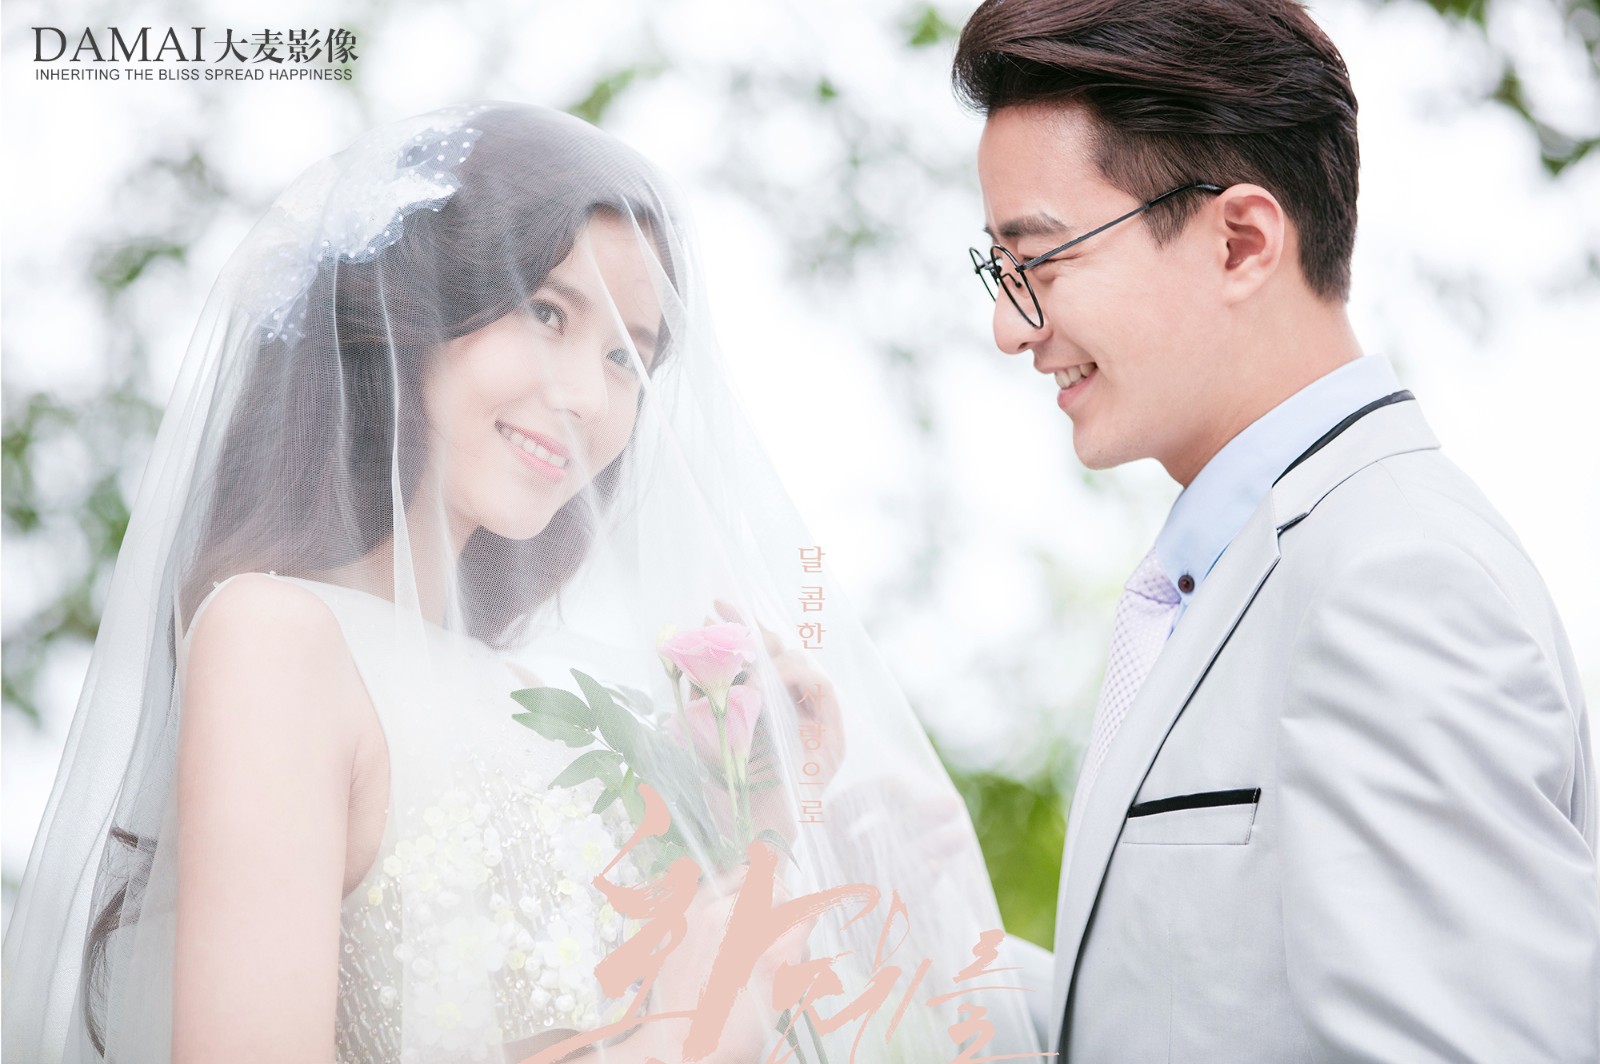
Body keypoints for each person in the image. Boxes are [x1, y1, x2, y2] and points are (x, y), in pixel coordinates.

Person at [1, 103, 1041, 1063]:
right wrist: (681, 1038)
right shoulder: (277, 637)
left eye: (629, 358)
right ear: (418, 308)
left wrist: (759, 817)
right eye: (547, 312)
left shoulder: (540, 697)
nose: (587, 394)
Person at [952, 1, 1600, 1060]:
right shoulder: (1253, 565)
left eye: (1043, 262)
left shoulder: (1398, 582)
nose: (1009, 326)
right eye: (1002, 269)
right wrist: (873, 869)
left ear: (1241, 241)